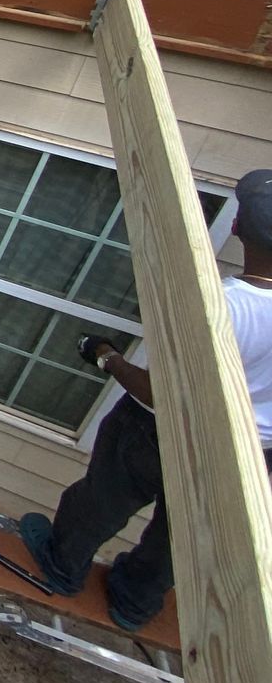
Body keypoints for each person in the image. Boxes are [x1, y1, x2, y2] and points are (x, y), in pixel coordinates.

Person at [19, 168, 272, 632]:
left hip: (162, 434)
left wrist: (106, 356)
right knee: (180, 536)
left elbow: (164, 393)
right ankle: (133, 603)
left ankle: (62, 566)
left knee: (101, 501)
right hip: (251, 457)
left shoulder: (225, 308)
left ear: (235, 228)